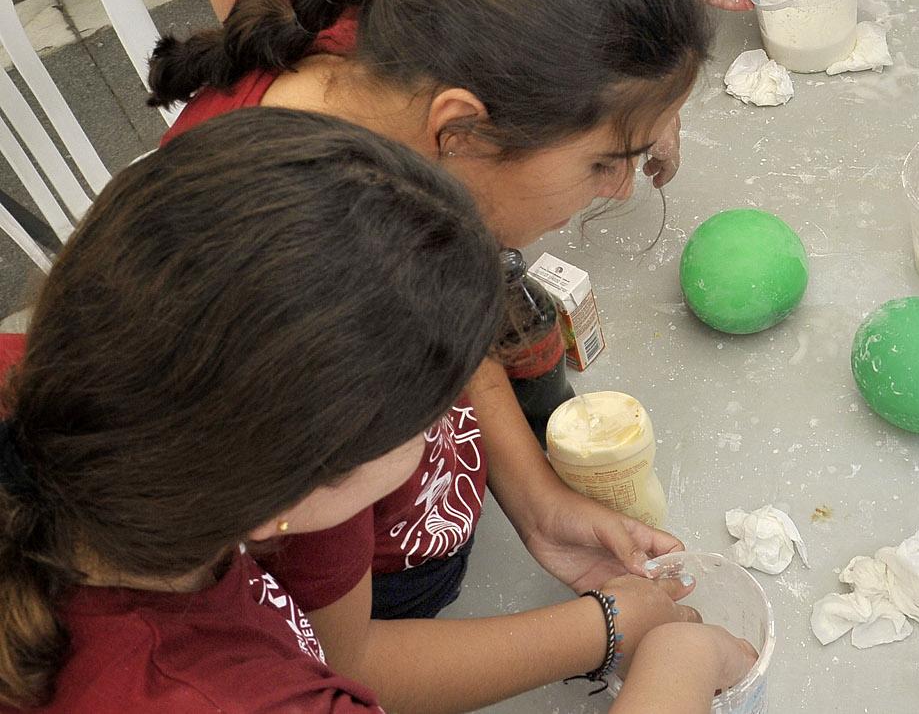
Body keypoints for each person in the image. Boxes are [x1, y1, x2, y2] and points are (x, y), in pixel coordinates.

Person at [145, 0, 717, 711]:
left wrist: (533, 497)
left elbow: (445, 306)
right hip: (383, 603)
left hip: (414, 523)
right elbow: (349, 661)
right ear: (463, 129)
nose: (622, 190)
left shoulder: (391, 93)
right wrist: (601, 626)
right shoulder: (307, 299)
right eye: (604, 160)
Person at [0, 109, 752, 712]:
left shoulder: (83, 390)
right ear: (286, 497)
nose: (448, 426)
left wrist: (541, 510)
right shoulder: (244, 694)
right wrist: (678, 664)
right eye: (431, 418)